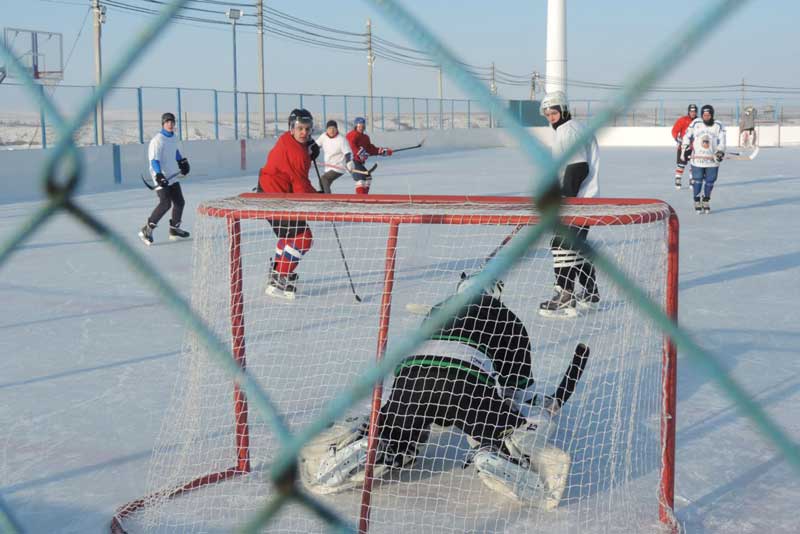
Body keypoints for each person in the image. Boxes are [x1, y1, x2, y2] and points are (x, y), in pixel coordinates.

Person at [299, 273, 571, 509]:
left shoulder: (438, 309)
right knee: (501, 429)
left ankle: (379, 443)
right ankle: (495, 451)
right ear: (494, 292)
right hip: (466, 382)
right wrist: (532, 412)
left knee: (400, 429)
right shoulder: (508, 319)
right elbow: (518, 391)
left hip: (413, 377)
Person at [537, 91, 601, 318]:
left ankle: (565, 295)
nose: (550, 116)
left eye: (553, 112)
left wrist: (565, 199)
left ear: (563, 110)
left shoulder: (570, 130)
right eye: (547, 113)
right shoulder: (571, 129)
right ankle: (591, 293)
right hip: (583, 199)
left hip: (577, 201)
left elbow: (578, 168)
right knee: (575, 246)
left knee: (560, 245)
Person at [257, 108, 320, 298]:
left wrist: (310, 146)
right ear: (291, 128)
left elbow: (297, 177)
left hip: (271, 194)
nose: (304, 133)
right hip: (275, 198)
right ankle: (279, 278)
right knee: (304, 237)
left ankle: (278, 271)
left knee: (288, 236)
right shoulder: (296, 153)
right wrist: (320, 197)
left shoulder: (287, 139)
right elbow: (301, 187)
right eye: (300, 128)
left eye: (308, 129)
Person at [138, 112, 191, 245]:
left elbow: (175, 152)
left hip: (172, 175)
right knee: (165, 203)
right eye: (167, 122)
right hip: (161, 176)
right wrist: (159, 175)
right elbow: (154, 160)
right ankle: (147, 229)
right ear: (163, 124)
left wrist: (182, 162)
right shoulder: (157, 140)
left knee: (179, 202)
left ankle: (174, 229)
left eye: (172, 122)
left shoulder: (173, 137)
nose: (170, 124)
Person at [681, 104, 726, 214]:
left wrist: (720, 151)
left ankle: (706, 200)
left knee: (710, 181)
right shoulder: (696, 123)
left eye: (708, 114)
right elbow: (687, 136)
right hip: (697, 159)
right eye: (704, 115)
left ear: (712, 115)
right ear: (702, 115)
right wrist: (685, 147)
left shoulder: (718, 125)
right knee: (698, 180)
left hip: (712, 159)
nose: (706, 116)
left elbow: (722, 141)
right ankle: (697, 201)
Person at [345, 117, 393, 194]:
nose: (361, 127)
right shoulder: (352, 135)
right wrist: (359, 153)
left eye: (363, 126)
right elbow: (351, 146)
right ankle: (360, 198)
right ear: (356, 126)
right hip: (351, 161)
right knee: (360, 178)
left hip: (359, 162)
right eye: (359, 126)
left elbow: (370, 149)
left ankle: (364, 196)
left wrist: (383, 151)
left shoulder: (365, 137)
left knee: (368, 177)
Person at [315, 119, 354, 194]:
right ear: (326, 129)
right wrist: (310, 153)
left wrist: (349, 162)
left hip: (339, 167)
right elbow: (315, 146)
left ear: (337, 129)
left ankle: (328, 198)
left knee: (324, 179)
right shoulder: (323, 137)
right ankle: (323, 196)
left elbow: (348, 153)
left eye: (333, 128)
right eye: (329, 128)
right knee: (322, 182)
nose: (331, 131)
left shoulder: (341, 139)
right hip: (328, 166)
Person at [671, 104, 697, 189]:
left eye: (694, 111)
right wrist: (677, 139)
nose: (693, 113)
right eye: (691, 111)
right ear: (689, 111)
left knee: (694, 165)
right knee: (681, 164)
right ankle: (678, 179)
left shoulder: (698, 121)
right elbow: (674, 130)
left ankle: (692, 180)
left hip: (695, 147)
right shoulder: (683, 120)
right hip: (683, 147)